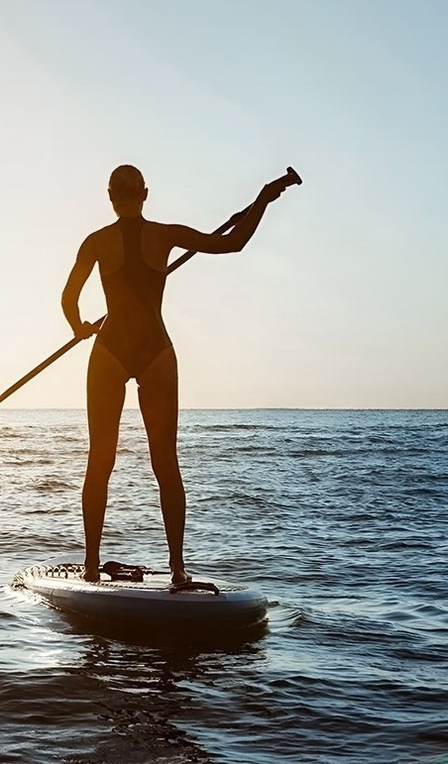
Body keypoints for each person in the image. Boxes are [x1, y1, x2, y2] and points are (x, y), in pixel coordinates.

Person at [60, 165, 294, 584]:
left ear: (110, 197)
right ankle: (178, 570)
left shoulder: (95, 242)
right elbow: (233, 243)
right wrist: (263, 198)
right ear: (145, 194)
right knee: (166, 463)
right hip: (156, 351)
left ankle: (92, 566)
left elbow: (68, 298)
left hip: (110, 350)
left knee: (100, 462)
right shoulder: (165, 234)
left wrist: (78, 327)